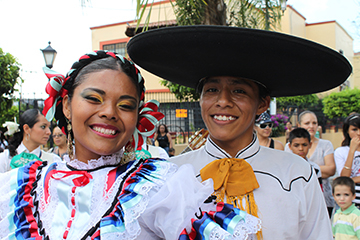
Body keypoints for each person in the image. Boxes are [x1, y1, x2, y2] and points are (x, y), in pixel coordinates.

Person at [0, 51, 261, 239]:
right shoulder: (14, 187)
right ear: (67, 105)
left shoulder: (162, 186)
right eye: (93, 98)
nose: (110, 112)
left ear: (138, 117)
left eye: (125, 105)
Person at [127, 25, 352, 239]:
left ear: (262, 104)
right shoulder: (172, 176)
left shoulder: (296, 175)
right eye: (212, 90)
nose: (223, 101)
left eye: (239, 91)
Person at [285, 110, 336, 216]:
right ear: (299, 125)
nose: (311, 126)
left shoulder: (325, 145)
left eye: (314, 123)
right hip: (297, 201)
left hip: (323, 200)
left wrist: (304, 168)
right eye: (307, 123)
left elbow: (331, 170)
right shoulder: (288, 146)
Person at [334, 113, 360, 208]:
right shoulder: (340, 151)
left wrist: (351, 180)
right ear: (347, 131)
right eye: (354, 130)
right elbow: (344, 177)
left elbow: (346, 180)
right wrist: (352, 151)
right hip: (349, 200)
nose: (358, 133)